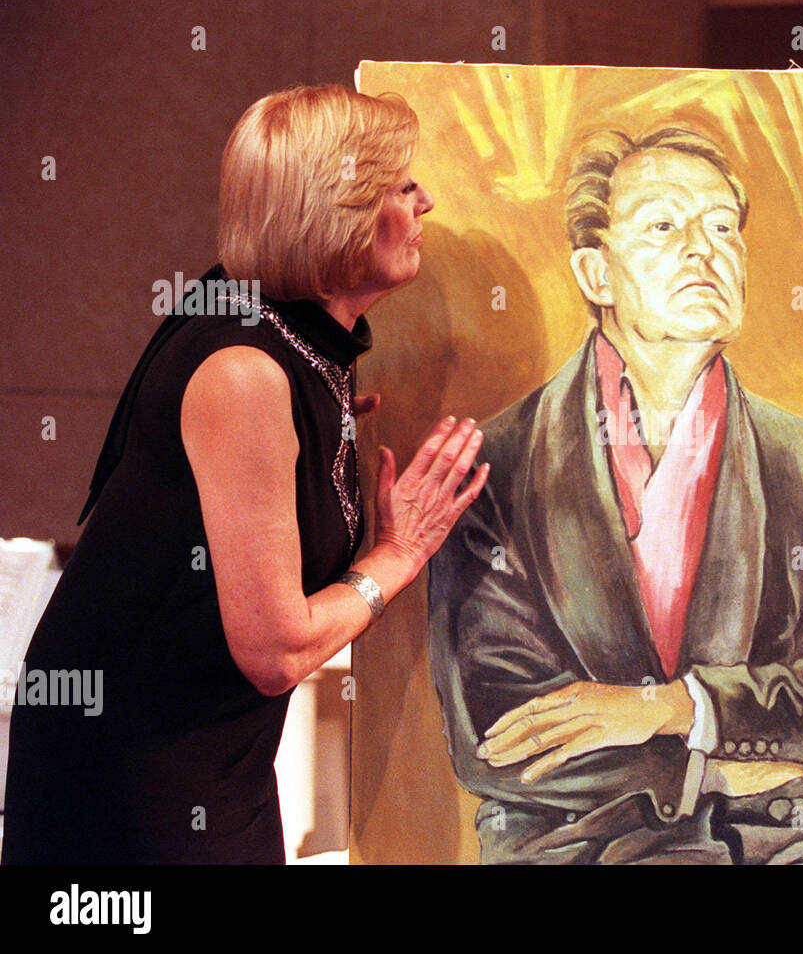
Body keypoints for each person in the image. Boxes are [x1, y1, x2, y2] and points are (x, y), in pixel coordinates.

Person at [1, 85, 488, 864]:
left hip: (206, 761)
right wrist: (400, 553)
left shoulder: (274, 327)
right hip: (131, 778)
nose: (426, 201)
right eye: (402, 186)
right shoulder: (244, 372)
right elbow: (276, 653)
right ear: (340, 210)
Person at [426, 127, 803, 864]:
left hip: (781, 837)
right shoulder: (503, 460)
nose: (702, 248)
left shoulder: (802, 459)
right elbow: (496, 731)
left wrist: (670, 706)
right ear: (596, 273)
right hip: (572, 841)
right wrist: (738, 749)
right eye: (662, 224)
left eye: (721, 226)